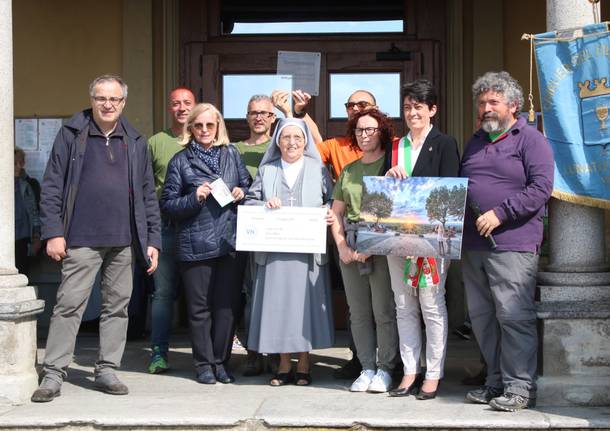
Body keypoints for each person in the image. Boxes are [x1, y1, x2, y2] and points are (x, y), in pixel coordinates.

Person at [31, 75, 161, 402]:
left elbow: (148, 195)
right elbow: (51, 187)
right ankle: (53, 373)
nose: (108, 104)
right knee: (69, 305)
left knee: (117, 307)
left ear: (123, 103)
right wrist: (53, 232)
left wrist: (152, 239)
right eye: (102, 98)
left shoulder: (135, 140)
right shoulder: (72, 135)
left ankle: (106, 369)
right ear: (92, 99)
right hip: (80, 238)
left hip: (124, 240)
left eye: (114, 99)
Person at [461, 71, 553, 412]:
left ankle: (519, 388)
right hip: (473, 246)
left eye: (493, 102)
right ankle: (495, 382)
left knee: (513, 316)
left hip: (513, 243)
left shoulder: (531, 140)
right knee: (483, 318)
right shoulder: (476, 140)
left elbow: (541, 188)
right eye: (482, 102)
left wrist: (501, 213)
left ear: (512, 105)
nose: (486, 108)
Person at [161, 103, 250, 385]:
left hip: (229, 241)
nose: (204, 131)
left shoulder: (231, 154)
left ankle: (221, 362)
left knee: (226, 307)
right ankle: (203, 364)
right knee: (199, 309)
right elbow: (168, 205)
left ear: (218, 127)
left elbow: (248, 186)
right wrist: (194, 197)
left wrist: (241, 192)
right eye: (198, 125)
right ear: (191, 128)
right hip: (195, 243)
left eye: (209, 125)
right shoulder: (180, 161)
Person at [384, 79, 460, 400]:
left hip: (432, 239)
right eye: (407, 107)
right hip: (398, 236)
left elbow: (451, 190)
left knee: (431, 303)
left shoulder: (444, 143)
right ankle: (409, 370)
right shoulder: (396, 147)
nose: (412, 112)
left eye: (418, 106)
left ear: (432, 109)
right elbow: (385, 195)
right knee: (403, 304)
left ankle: (433, 373)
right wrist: (388, 178)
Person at [245, 118, 335, 387]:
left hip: (307, 252)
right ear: (278, 141)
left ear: (305, 141)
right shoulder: (268, 170)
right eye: (286, 137)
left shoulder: (318, 168)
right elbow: (250, 200)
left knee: (303, 306)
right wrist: (264, 203)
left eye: (297, 137)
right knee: (280, 305)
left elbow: (332, 198)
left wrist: (329, 210)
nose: (292, 142)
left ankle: (304, 362)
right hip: (275, 252)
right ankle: (284, 363)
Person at [330, 109, 398, 393]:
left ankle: (385, 369)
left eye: (370, 129)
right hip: (351, 247)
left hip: (382, 247)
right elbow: (335, 213)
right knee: (357, 312)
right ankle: (367, 366)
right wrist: (343, 246)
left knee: (383, 310)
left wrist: (371, 246)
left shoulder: (390, 165)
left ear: (381, 132)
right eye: (359, 130)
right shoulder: (349, 170)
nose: (364, 134)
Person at [146, 87, 196, 373]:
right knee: (163, 293)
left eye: (187, 103)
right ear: (169, 108)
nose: (181, 108)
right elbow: (143, 188)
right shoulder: (156, 142)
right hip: (165, 228)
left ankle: (212, 352)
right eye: (176, 103)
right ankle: (158, 352)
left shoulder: (207, 138)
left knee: (204, 293)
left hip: (201, 229)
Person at [234, 94, 278, 377]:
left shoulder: (283, 145)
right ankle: (251, 351)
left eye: (265, 113)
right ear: (247, 117)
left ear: (273, 118)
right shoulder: (233, 149)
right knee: (248, 292)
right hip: (244, 230)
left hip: (278, 232)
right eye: (254, 113)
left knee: (274, 293)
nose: (259, 117)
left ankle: (274, 351)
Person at [14, 147, 42, 276]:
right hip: (7, 237)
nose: (18, 166)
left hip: (23, 237)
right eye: (14, 163)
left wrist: (37, 237)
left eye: (21, 162)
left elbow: (35, 212)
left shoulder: (29, 184)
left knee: (22, 273)